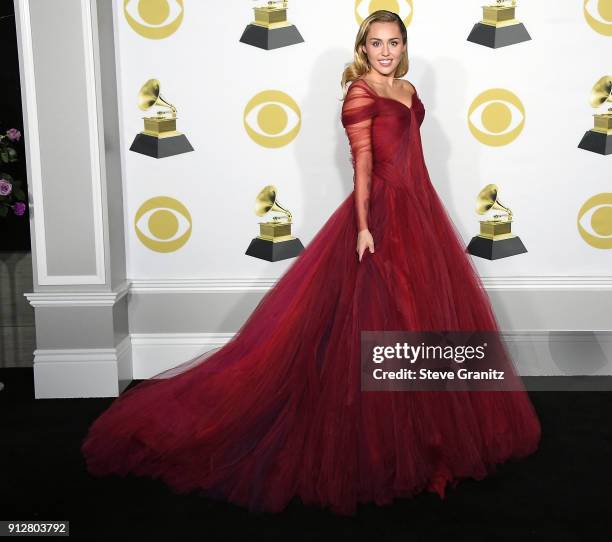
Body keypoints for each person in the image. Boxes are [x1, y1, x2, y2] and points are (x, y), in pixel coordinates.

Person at [81, 10, 541, 516]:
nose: (385, 51)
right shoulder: (360, 94)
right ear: (362, 48)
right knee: (385, 323)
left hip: (420, 209)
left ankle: (434, 439)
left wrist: (421, 208)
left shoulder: (408, 89)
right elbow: (363, 164)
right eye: (376, 43)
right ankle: (389, 446)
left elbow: (416, 153)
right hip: (380, 216)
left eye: (393, 42)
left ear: (403, 46)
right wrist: (365, 226)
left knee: (423, 321)